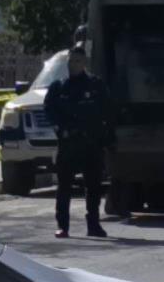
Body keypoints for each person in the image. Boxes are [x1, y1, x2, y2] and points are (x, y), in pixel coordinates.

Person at [44, 46, 114, 238]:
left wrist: (107, 138)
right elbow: (49, 111)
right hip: (68, 144)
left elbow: (107, 111)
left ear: (84, 63)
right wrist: (60, 129)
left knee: (93, 186)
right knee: (64, 186)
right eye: (70, 60)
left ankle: (94, 225)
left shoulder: (95, 85)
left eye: (76, 61)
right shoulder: (59, 87)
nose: (72, 65)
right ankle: (63, 226)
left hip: (91, 144)